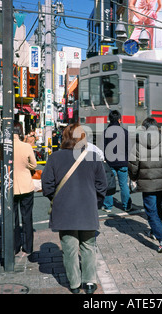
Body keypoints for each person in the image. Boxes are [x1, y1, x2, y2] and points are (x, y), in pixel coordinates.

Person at [41, 123, 107, 294]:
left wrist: (57, 199)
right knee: (88, 246)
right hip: (87, 209)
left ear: (64, 138)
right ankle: (90, 282)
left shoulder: (54, 158)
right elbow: (102, 185)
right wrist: (95, 201)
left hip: (64, 211)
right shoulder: (92, 156)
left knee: (69, 250)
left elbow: (47, 185)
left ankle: (75, 284)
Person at [128, 117, 162, 253]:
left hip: (147, 183)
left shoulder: (138, 144)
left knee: (151, 211)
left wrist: (134, 178)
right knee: (157, 207)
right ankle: (155, 232)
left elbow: (133, 166)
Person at [0, 121, 37, 255]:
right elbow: (34, 165)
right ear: (20, 131)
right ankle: (28, 247)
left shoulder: (0, 146)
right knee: (27, 217)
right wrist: (26, 167)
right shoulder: (26, 146)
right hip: (26, 187)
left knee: (12, 219)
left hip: (9, 187)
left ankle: (15, 246)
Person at [102, 110, 131, 213]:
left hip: (110, 162)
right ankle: (126, 206)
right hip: (123, 162)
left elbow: (104, 148)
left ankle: (108, 206)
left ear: (109, 119)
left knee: (109, 183)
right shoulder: (125, 132)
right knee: (123, 184)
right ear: (120, 120)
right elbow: (128, 148)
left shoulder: (106, 132)